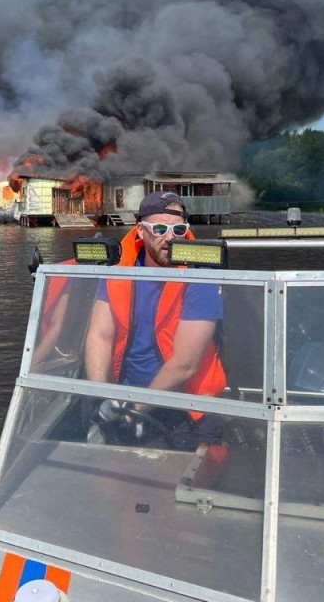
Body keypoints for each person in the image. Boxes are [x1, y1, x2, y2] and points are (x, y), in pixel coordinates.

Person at [83, 191, 226, 448]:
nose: (170, 238)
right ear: (140, 230)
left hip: (186, 406)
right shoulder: (119, 270)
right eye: (160, 229)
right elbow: (100, 336)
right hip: (125, 398)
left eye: (179, 229)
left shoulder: (201, 276)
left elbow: (185, 364)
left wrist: (134, 411)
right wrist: (100, 398)